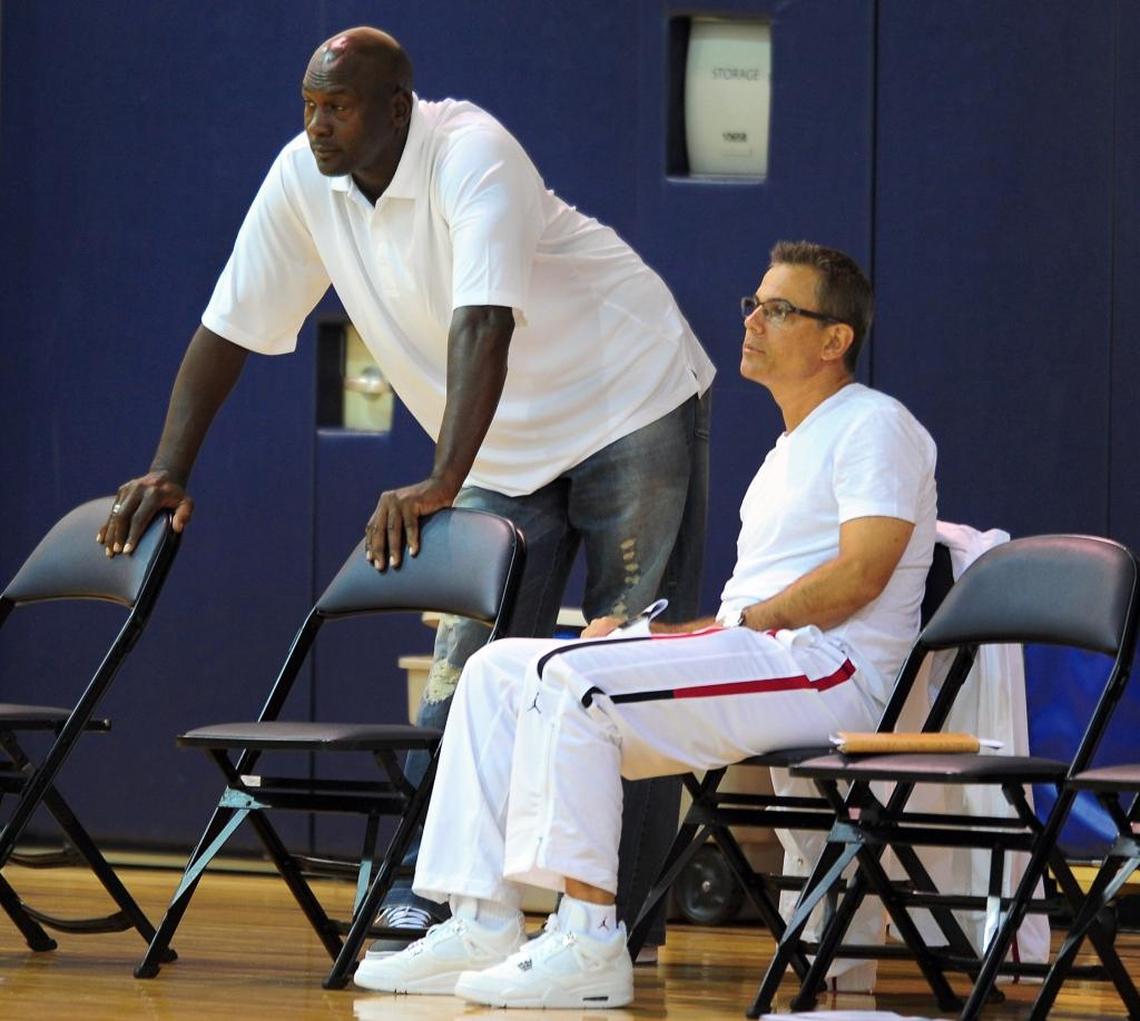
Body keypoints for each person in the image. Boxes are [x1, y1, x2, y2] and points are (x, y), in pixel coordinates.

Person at [95, 27, 714, 947]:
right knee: (465, 675)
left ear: (397, 108)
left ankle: (618, 921)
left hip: (626, 398)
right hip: (499, 442)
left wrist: (441, 482)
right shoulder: (305, 179)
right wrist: (170, 467)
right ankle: (438, 897)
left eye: (336, 107)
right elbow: (229, 324)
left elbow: (485, 325)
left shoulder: (474, 153)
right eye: (307, 104)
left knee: (622, 663)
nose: (316, 126)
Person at [351, 241, 938, 1009]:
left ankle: (591, 935)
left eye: (780, 309)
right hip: (766, 656)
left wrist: (731, 627)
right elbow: (739, 624)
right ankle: (479, 917)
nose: (754, 319)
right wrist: (658, 639)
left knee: (580, 684)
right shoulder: (786, 449)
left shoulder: (875, 424)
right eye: (753, 304)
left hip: (833, 672)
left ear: (836, 340)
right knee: (498, 672)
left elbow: (862, 574)